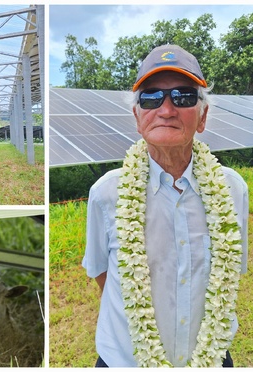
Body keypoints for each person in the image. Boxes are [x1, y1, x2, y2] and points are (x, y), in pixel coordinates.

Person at [83, 45, 248, 367]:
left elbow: (233, 268)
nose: (167, 109)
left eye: (184, 97)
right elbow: (102, 271)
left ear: (203, 116)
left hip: (211, 358)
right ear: (137, 116)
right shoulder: (107, 193)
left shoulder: (233, 189)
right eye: (151, 98)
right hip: (127, 361)